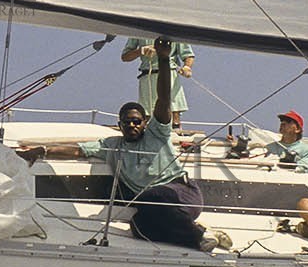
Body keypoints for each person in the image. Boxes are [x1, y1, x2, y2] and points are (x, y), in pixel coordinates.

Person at [18, 38, 231, 252]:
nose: (132, 125)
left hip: (182, 195)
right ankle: (201, 238)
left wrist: (164, 59)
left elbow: (164, 99)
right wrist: (42, 150)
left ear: (144, 122)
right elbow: (78, 150)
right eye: (127, 122)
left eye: (136, 121)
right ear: (119, 125)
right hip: (155, 206)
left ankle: (198, 231)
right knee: (139, 226)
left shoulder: (157, 133)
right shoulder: (112, 146)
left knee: (151, 197)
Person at [120, 36, 194, 128]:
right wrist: (141, 51)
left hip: (170, 75)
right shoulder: (139, 31)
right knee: (146, 114)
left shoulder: (175, 31)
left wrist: (187, 67)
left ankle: (175, 130)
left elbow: (188, 54)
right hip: (147, 76)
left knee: (173, 111)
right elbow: (125, 57)